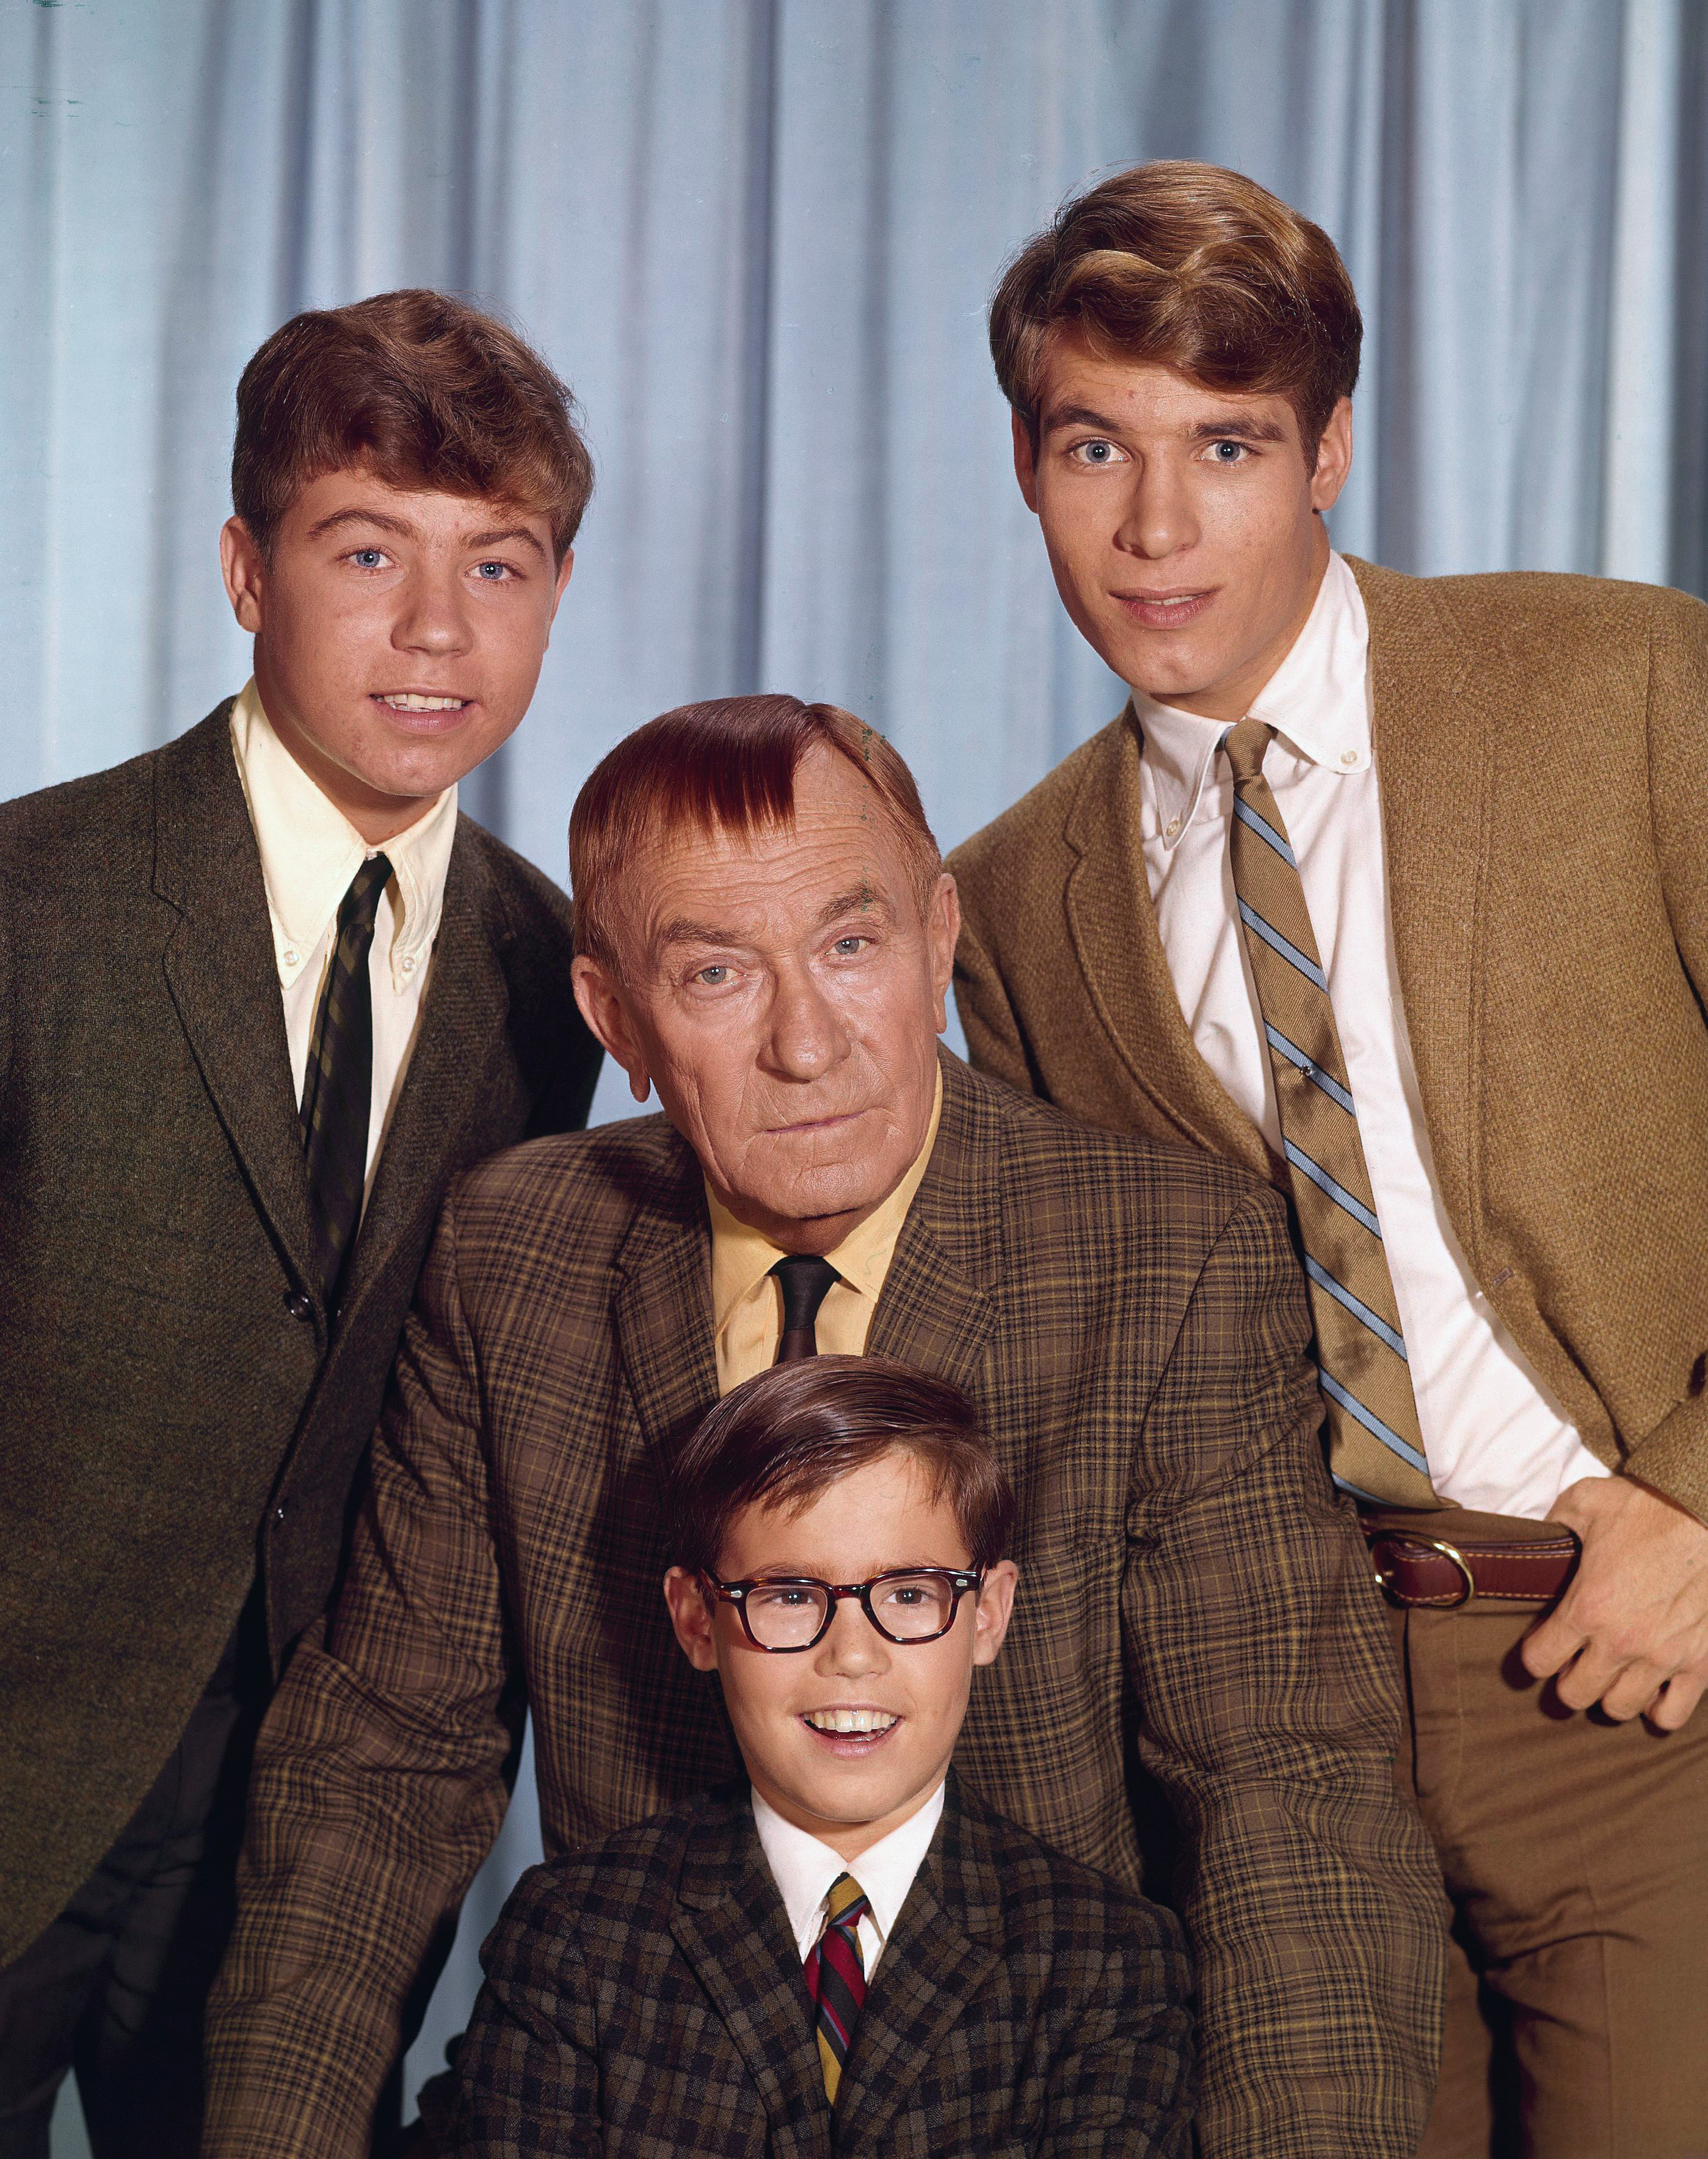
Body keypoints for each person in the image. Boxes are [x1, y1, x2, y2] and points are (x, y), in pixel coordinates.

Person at [205, 692, 1445, 2159]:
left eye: (850, 946)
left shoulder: (1159, 1256)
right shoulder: (514, 1255)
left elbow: (1283, 1792)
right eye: (717, 973)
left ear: (938, 939)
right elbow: (385, 1763)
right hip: (642, 2094)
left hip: (1030, 2095)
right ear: (619, 1023)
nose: (807, 1043)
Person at [947, 158, 1708, 2157]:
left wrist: (1702, 1500)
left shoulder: (1618, 687)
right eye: (1093, 445)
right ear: (1023, 465)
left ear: (1328, 452)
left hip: (1648, 1686)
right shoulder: (1017, 894)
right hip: (1290, 1747)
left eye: (1226, 444)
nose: (1153, 523)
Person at [0, 289, 603, 2158]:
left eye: (497, 565)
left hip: (305, 1855)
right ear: (249, 572)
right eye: (369, 553)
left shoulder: (541, 970)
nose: (438, 631)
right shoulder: (34, 901)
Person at [418, 1355, 1195, 2157]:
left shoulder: (1104, 1959)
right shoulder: (576, 1937)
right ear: (695, 1620)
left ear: (987, 1613)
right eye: (789, 1595)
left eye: (908, 1594)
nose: (851, 1655)